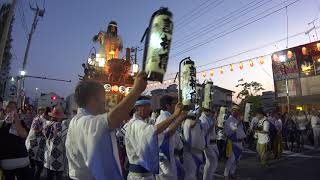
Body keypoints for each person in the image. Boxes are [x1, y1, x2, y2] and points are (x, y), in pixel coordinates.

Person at [65, 72, 147, 180]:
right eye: (104, 98)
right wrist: (136, 90)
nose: (106, 102)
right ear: (93, 99)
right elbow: (112, 119)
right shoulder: (84, 122)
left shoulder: (77, 120)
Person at [125, 96, 185, 180]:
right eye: (147, 106)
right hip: (139, 176)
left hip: (146, 174)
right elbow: (153, 131)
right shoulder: (136, 124)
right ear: (138, 107)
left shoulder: (142, 123)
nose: (150, 109)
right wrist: (175, 115)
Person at [155, 95, 184, 180]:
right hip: (165, 157)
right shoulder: (164, 117)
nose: (176, 106)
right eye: (174, 104)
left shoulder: (168, 116)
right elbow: (168, 133)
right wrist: (180, 118)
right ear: (168, 106)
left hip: (170, 155)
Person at [0, 101, 32, 180]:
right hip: (7, 162)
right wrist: (6, 121)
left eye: (14, 107)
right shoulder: (1, 123)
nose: (12, 109)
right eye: (9, 107)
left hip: (22, 160)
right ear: (5, 109)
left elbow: (23, 135)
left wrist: (16, 120)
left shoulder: (20, 122)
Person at [42, 106, 68, 180]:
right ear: (60, 117)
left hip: (47, 156)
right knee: (57, 177)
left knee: (48, 176)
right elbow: (65, 143)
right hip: (58, 158)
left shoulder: (46, 125)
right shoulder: (63, 127)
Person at [223, 106, 246, 180]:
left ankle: (232, 172)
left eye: (237, 111)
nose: (236, 112)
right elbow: (233, 129)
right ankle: (225, 175)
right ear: (232, 111)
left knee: (237, 159)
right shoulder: (229, 120)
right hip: (233, 142)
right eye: (235, 111)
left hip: (239, 142)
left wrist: (243, 141)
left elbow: (240, 131)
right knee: (231, 159)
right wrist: (239, 121)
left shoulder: (237, 119)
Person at [25, 106, 48, 180]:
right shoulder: (37, 119)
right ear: (38, 112)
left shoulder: (43, 120)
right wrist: (44, 130)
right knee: (35, 166)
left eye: (43, 111)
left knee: (37, 166)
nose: (42, 112)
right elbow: (35, 131)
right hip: (33, 145)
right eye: (41, 111)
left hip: (38, 147)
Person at [182, 111, 206, 180]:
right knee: (191, 175)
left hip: (199, 152)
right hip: (191, 153)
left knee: (196, 174)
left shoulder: (197, 122)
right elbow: (191, 125)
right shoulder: (188, 122)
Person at [200, 109, 219, 180]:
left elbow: (214, 129)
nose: (211, 113)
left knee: (210, 163)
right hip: (208, 144)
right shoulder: (202, 119)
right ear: (205, 111)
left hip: (213, 143)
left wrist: (214, 120)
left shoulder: (209, 119)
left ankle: (206, 178)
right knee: (213, 161)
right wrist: (213, 123)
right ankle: (208, 178)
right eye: (210, 111)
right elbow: (206, 132)